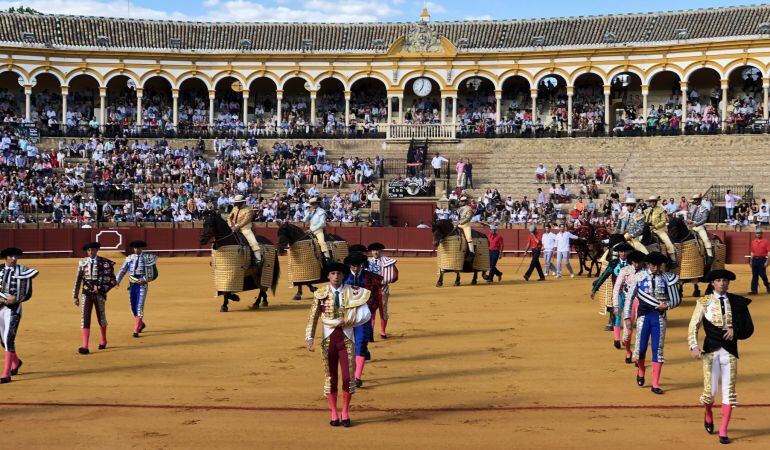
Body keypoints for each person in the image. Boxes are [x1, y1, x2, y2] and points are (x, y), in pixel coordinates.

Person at [687, 269, 754, 444]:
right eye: (718, 280)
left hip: (730, 352)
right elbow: (693, 326)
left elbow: (749, 328)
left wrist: (735, 330)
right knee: (710, 393)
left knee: (729, 393)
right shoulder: (704, 302)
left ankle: (723, 430)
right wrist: (693, 346)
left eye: (725, 280)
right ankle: (708, 413)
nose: (722, 283)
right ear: (712, 283)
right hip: (710, 352)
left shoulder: (737, 302)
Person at [305, 262, 372, 427]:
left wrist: (347, 320)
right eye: (333, 273)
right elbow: (313, 316)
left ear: (343, 276)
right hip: (328, 341)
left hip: (346, 340)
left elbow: (366, 315)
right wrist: (309, 336)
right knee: (331, 377)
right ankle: (334, 412)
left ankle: (345, 411)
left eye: (339, 274)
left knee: (348, 378)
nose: (336, 276)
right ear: (328, 276)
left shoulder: (354, 292)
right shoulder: (320, 294)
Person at [625, 252, 681, 394]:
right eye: (653, 265)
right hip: (644, 316)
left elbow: (676, 299)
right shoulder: (639, 277)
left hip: (659, 316)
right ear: (648, 264)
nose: (655, 267)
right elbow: (630, 298)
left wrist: (667, 306)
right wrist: (627, 316)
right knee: (641, 348)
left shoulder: (668, 278)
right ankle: (642, 370)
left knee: (658, 349)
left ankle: (655, 384)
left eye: (658, 265)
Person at [343, 251, 383, 388]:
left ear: (362, 265)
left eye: (358, 266)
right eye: (353, 266)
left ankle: (357, 377)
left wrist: (370, 312)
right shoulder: (342, 277)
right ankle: (350, 373)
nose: (355, 268)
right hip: (345, 317)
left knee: (361, 343)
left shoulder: (371, 278)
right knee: (348, 345)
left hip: (362, 316)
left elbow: (377, 299)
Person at [0, 247, 38, 384]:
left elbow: (27, 293)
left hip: (14, 308)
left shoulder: (23, 271)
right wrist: (4, 299)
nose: (14, 259)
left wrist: (16, 299)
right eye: (11, 256)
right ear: (6, 257)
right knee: (3, 340)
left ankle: (6, 373)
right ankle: (16, 362)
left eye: (16, 256)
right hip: (0, 307)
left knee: (9, 339)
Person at [73, 242, 117, 354]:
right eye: (88, 250)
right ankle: (85, 346)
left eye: (92, 250)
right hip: (86, 293)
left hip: (99, 294)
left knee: (101, 317)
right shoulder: (82, 262)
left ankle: (103, 339)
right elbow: (78, 280)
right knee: (85, 318)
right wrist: (75, 295)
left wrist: (101, 288)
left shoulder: (104, 262)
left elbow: (111, 279)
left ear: (97, 250)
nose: (90, 252)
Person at [115, 240, 159, 338]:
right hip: (132, 285)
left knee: (139, 307)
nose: (136, 250)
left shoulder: (148, 258)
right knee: (133, 308)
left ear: (141, 248)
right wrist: (117, 281)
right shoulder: (129, 258)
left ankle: (136, 330)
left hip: (142, 285)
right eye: (135, 248)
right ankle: (141, 324)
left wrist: (145, 279)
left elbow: (155, 273)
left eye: (138, 248)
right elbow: (123, 270)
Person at [592, 242, 633, 340]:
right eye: (621, 252)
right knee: (618, 315)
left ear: (628, 252)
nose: (623, 254)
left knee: (629, 317)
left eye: (625, 252)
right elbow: (604, 276)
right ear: (618, 253)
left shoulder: (632, 263)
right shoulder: (614, 263)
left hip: (631, 293)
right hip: (618, 292)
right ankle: (617, 339)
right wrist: (594, 289)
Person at [613, 250, 645, 363]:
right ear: (632, 261)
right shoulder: (625, 270)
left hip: (642, 303)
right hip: (629, 302)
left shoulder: (646, 272)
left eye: (639, 262)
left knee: (641, 332)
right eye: (635, 262)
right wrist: (616, 305)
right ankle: (628, 351)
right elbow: (617, 288)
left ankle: (637, 356)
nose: (636, 265)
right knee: (627, 334)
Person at [367, 242, 398, 339]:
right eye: (373, 250)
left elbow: (394, 275)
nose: (375, 252)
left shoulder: (387, 261)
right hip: (371, 291)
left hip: (383, 289)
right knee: (370, 311)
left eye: (377, 250)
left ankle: (382, 332)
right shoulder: (367, 262)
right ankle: (370, 332)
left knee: (383, 310)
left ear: (380, 251)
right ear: (371, 252)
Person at [228, 195, 262, 265]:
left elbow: (246, 220)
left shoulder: (249, 209)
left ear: (242, 202)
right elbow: (229, 218)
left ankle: (258, 259)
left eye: (238, 202)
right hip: (233, 229)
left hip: (245, 229)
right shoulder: (234, 208)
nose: (237, 204)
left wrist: (237, 226)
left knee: (253, 242)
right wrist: (231, 226)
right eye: (236, 202)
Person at [645, 196, 677, 267]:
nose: (652, 203)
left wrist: (655, 226)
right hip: (648, 229)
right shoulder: (647, 210)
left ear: (656, 202)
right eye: (651, 201)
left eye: (654, 201)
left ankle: (673, 260)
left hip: (659, 229)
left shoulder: (661, 209)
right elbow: (646, 220)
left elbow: (663, 221)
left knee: (668, 243)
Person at [689, 195, 714, 265]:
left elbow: (704, 219)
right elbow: (689, 217)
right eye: (694, 200)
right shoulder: (692, 208)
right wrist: (688, 221)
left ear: (700, 200)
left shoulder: (704, 208)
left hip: (699, 227)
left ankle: (710, 255)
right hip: (691, 226)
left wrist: (696, 224)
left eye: (696, 200)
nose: (694, 201)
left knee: (705, 239)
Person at [748, 228, 769, 295]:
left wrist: (767, 262)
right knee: (754, 275)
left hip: (762, 260)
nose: (758, 234)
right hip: (755, 260)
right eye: (757, 233)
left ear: (762, 234)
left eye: (759, 233)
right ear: (755, 234)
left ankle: (767, 285)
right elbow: (752, 252)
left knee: (762, 275)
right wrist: (751, 261)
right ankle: (754, 290)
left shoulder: (766, 241)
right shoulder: (753, 242)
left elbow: (769, 253)